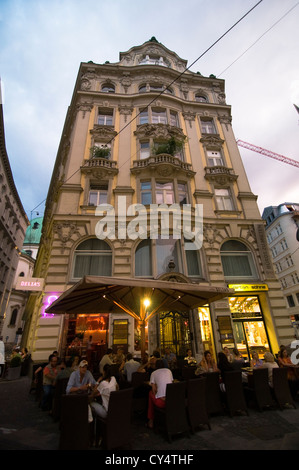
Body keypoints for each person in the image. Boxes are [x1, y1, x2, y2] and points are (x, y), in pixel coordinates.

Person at [147, 359, 173, 429]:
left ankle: (151, 420)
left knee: (150, 393)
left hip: (162, 402)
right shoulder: (169, 371)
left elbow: (154, 390)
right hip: (171, 401)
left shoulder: (154, 373)